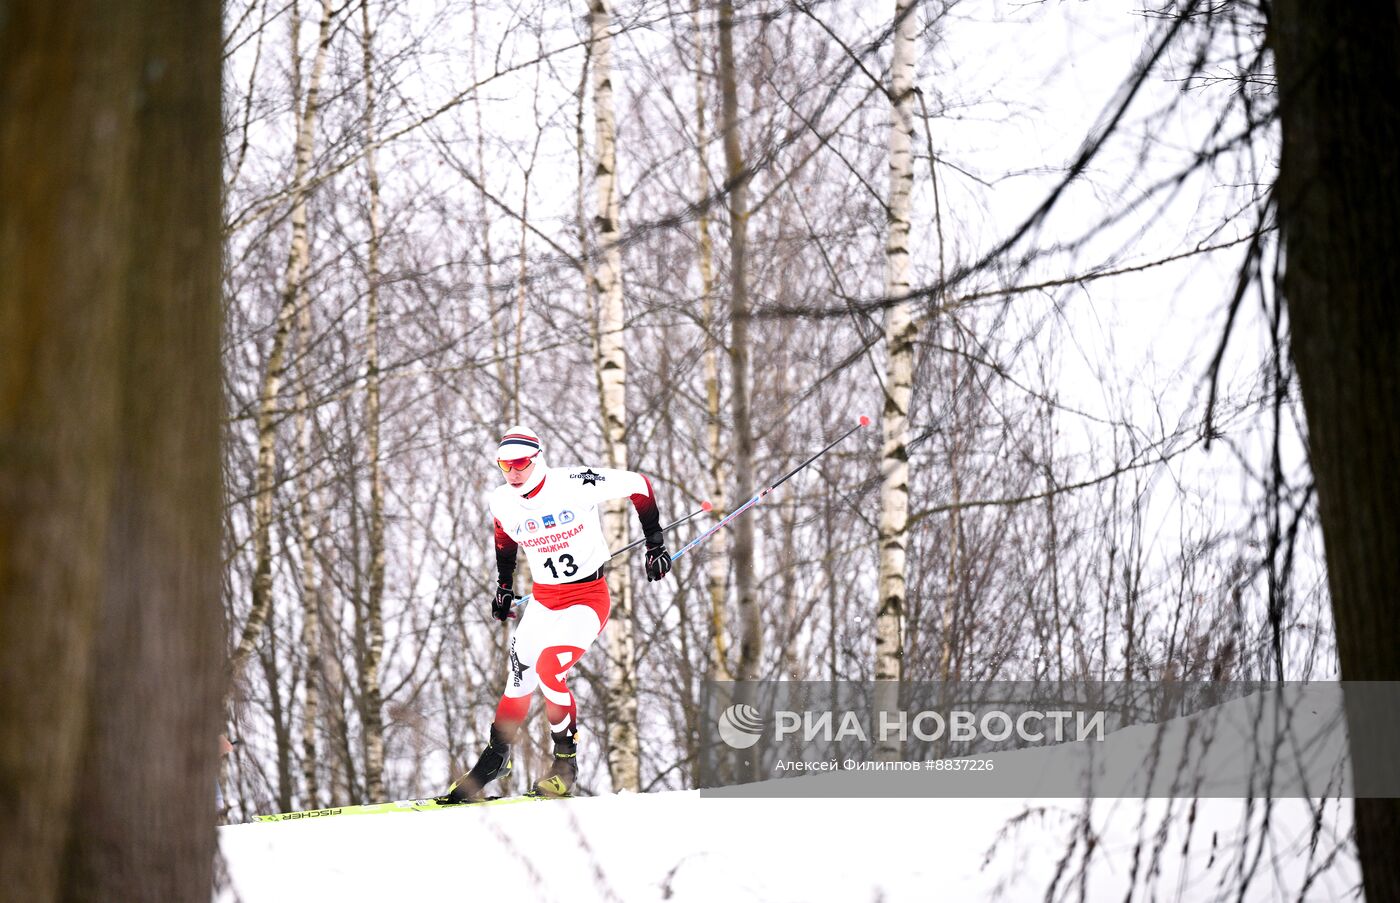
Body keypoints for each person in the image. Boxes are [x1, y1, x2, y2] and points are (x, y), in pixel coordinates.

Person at [441, 425, 672, 802]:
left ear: (538, 459)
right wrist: (504, 585)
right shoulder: (502, 500)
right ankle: (496, 757)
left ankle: (565, 766)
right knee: (519, 678)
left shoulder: (575, 483)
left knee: (551, 668)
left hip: (587, 598)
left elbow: (640, 484)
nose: (513, 472)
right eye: (505, 465)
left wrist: (655, 543)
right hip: (544, 601)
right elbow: (504, 536)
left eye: (521, 463)